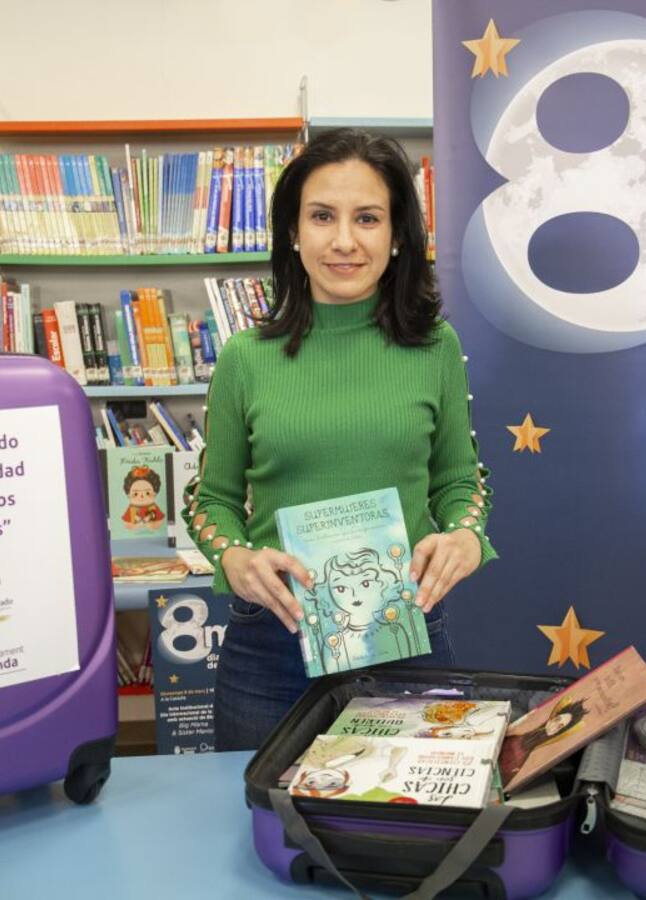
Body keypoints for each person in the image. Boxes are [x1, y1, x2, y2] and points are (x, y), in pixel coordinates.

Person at [182, 128, 497, 751]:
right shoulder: (246, 357)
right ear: (293, 232)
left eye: (368, 218)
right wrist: (234, 558)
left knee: (406, 810)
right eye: (322, 216)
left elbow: (461, 482)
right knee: (262, 810)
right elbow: (209, 499)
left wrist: (466, 535)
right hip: (272, 641)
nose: (344, 241)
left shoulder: (436, 348)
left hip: (405, 632)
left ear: (398, 235)